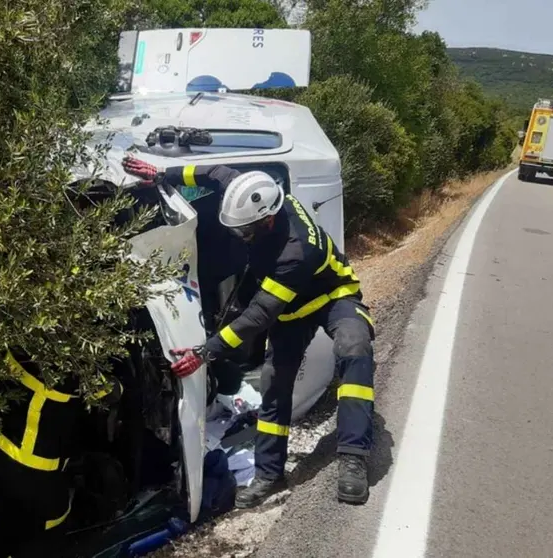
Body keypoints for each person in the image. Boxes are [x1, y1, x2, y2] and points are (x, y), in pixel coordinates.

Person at [121, 155, 376, 507]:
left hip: (332, 296)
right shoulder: (251, 191)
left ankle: (353, 457)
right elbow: (210, 171)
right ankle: (270, 474)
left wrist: (203, 354)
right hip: (290, 310)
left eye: (245, 232)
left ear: (268, 220)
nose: (240, 237)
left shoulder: (295, 252)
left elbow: (258, 315)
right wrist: (165, 175)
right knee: (274, 383)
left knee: (354, 348)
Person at [0, 347, 122, 557]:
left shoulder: (13, 341)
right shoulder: (73, 371)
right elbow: (112, 391)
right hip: (37, 482)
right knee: (40, 541)